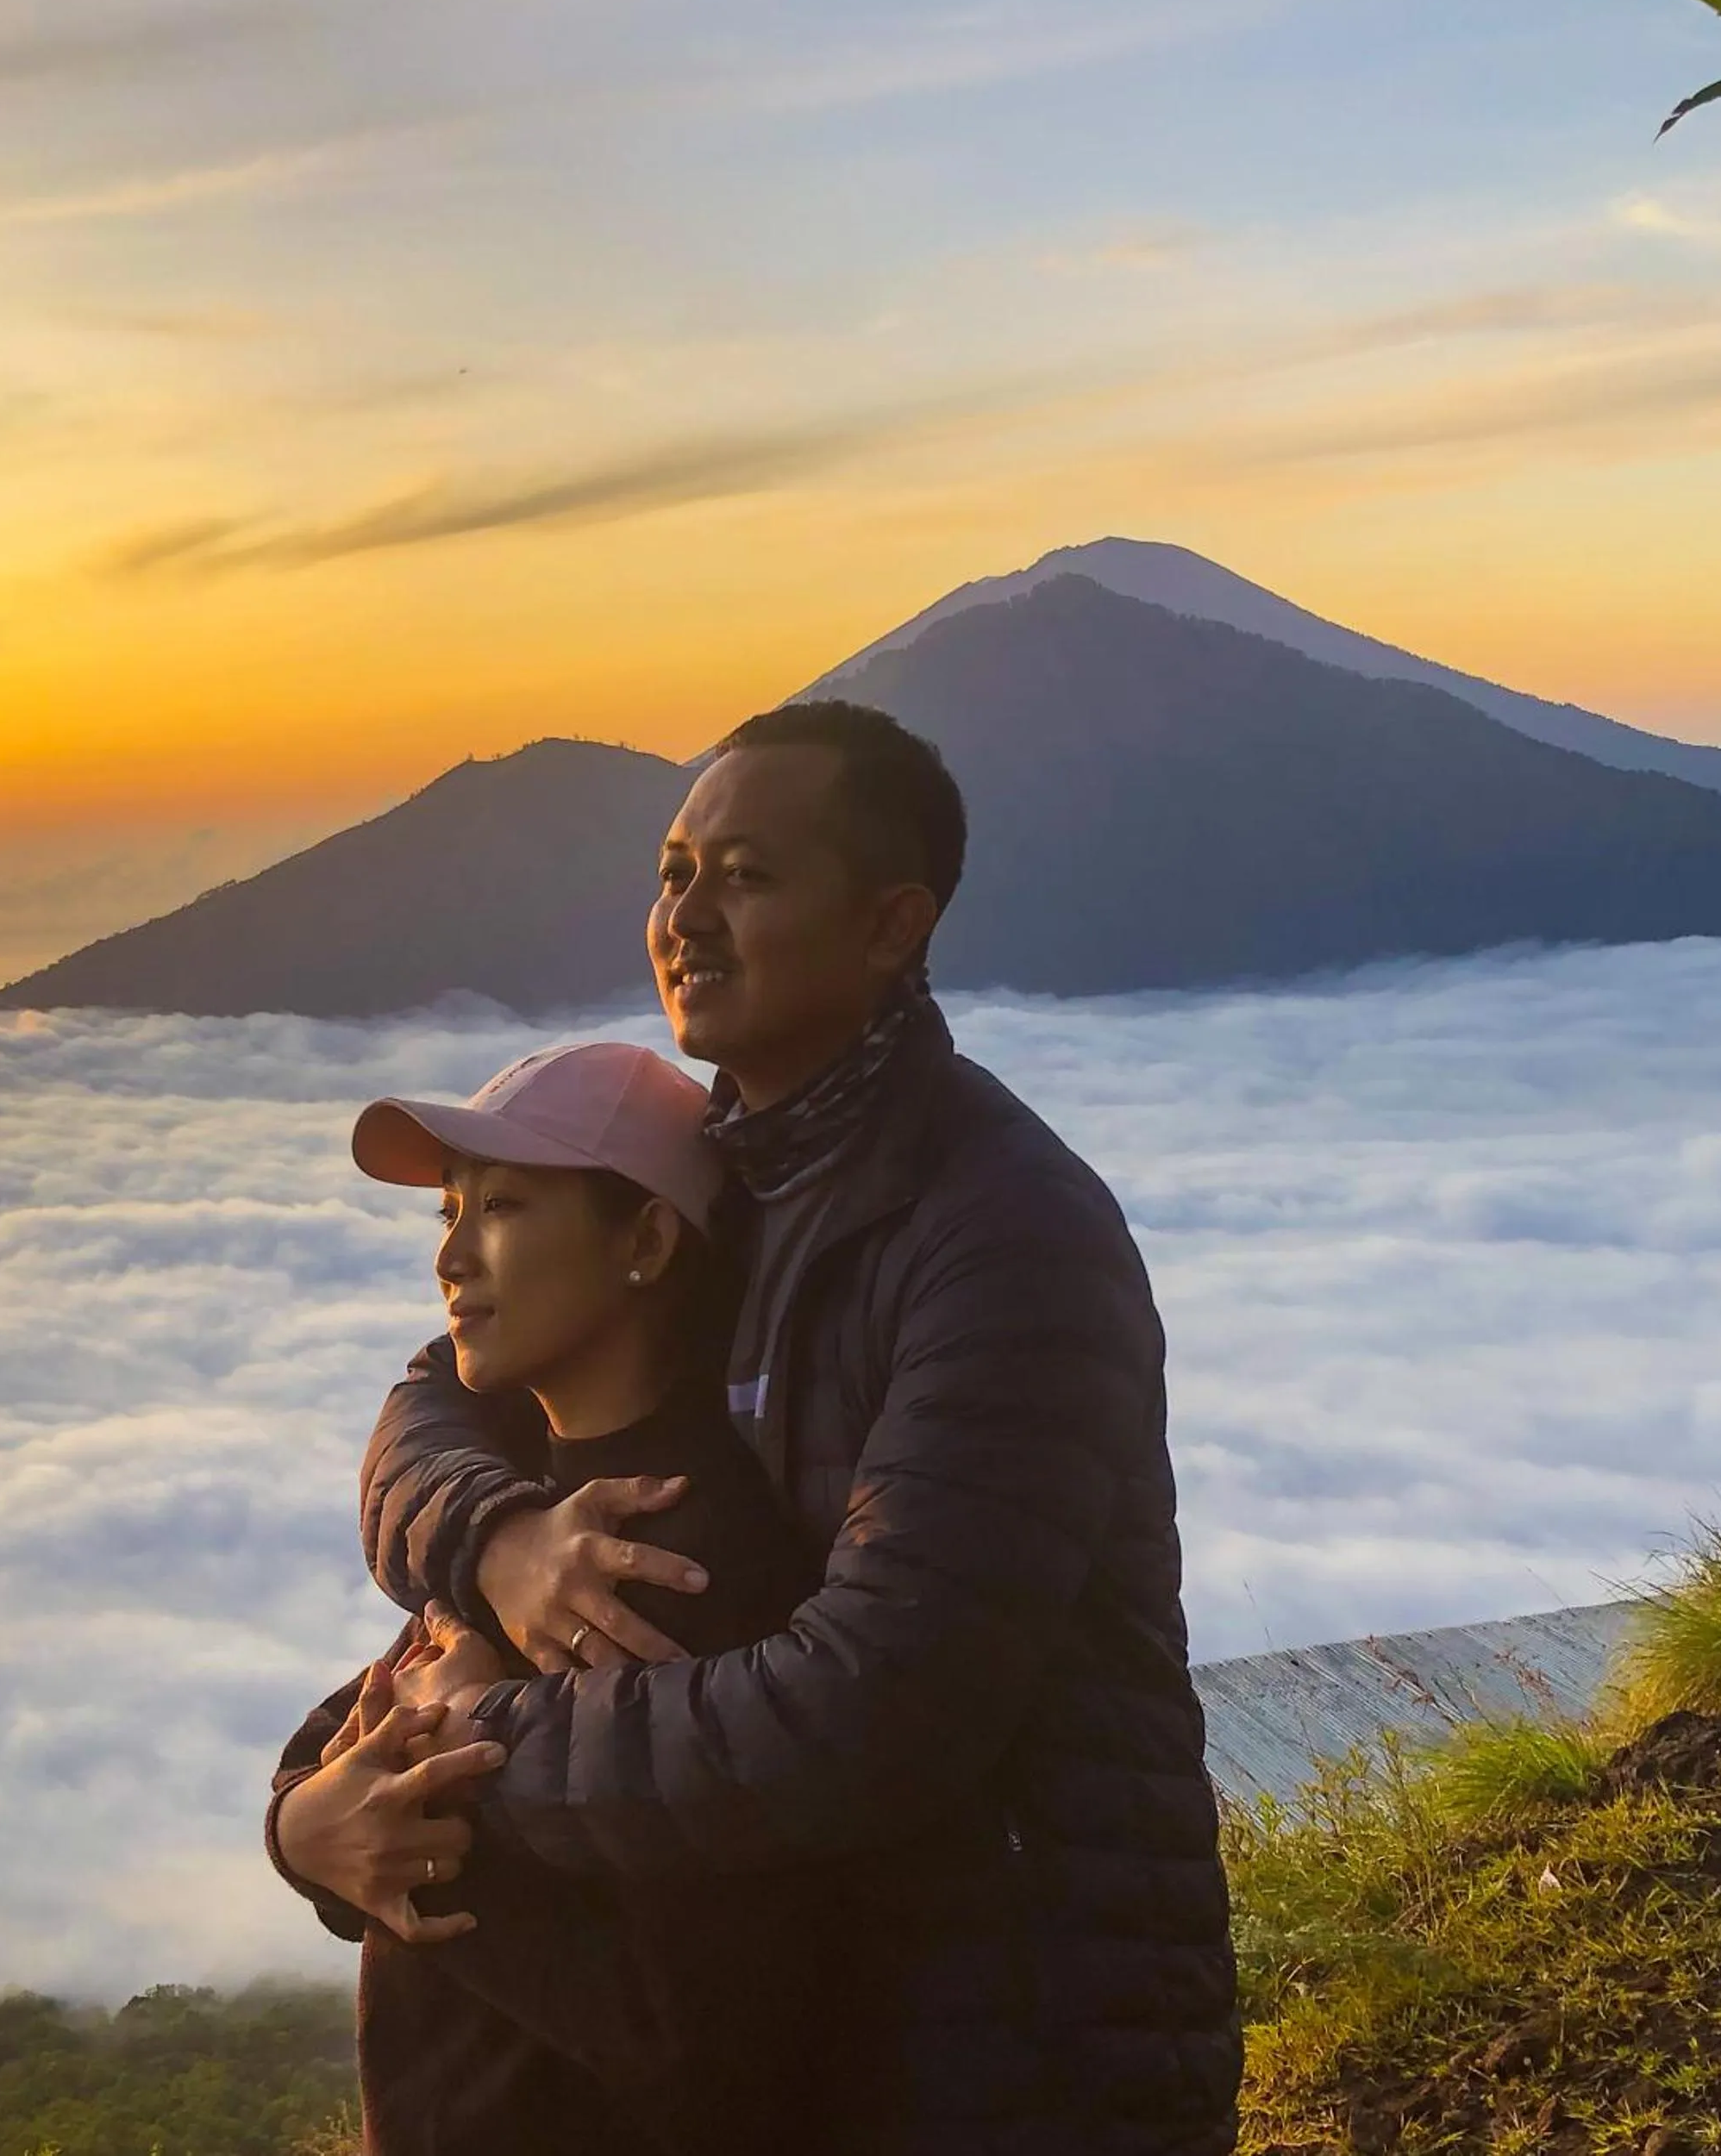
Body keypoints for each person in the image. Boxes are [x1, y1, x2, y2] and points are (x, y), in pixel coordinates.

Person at [275, 699, 1242, 2155]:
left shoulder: (998, 1233)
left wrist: (464, 1752)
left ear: (888, 924)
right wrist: (496, 1537)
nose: (688, 916)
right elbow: (434, 1391)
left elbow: (872, 1707)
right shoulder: (727, 1189)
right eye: (674, 871)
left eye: (749, 875)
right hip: (842, 2012)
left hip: (1022, 2033)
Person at [267, 1041, 842, 2155]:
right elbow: (361, 1732)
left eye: (505, 1205)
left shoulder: (674, 1564)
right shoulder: (532, 1527)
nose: (451, 1255)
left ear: (644, 1240)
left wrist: (439, 1827)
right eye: (448, 1209)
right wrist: (299, 1826)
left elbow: (700, 2031)